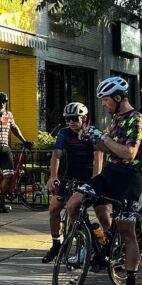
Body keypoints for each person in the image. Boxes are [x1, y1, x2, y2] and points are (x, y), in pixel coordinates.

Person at [63, 77, 142, 285]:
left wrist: (102, 137)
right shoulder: (115, 120)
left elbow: (129, 153)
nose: (103, 104)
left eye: (105, 100)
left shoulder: (137, 121)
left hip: (129, 179)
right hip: (109, 175)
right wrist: (91, 139)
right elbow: (108, 148)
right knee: (73, 204)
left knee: (126, 230)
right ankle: (94, 242)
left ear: (119, 98)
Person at [42, 102, 102, 263]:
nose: (70, 123)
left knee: (75, 210)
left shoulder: (93, 132)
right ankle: (56, 244)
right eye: (67, 119)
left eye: (74, 119)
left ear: (84, 118)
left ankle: (85, 247)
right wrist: (53, 176)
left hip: (88, 177)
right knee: (54, 208)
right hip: (69, 175)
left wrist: (95, 181)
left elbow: (98, 158)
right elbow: (57, 155)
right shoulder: (64, 132)